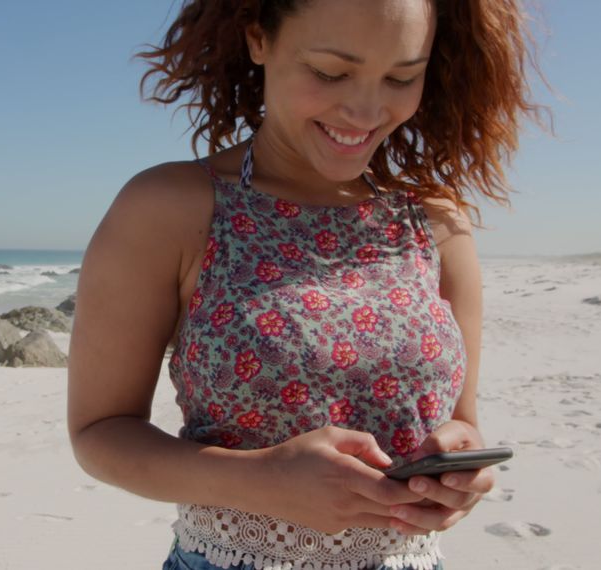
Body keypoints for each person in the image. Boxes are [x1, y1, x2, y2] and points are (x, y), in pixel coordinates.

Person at [67, 0, 553, 568]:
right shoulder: (170, 208)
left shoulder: (435, 223)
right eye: (330, 71)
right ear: (259, 39)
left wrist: (458, 475)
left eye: (402, 77)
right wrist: (260, 480)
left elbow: (462, 424)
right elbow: (100, 433)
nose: (366, 108)